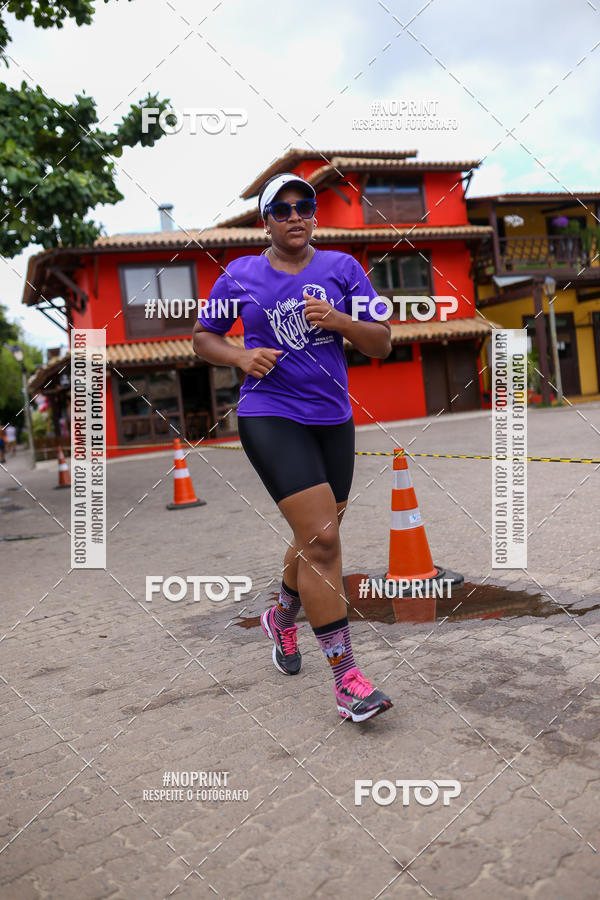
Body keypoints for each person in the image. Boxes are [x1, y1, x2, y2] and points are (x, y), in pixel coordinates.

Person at [192, 172, 393, 722]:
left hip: (333, 418)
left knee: (316, 536)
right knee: (324, 540)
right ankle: (347, 679)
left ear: (314, 215)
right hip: (269, 413)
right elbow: (202, 336)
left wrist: (341, 320)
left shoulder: (344, 270)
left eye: (304, 206)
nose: (295, 215)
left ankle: (281, 616)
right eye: (281, 209)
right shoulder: (239, 275)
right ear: (266, 221)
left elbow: (382, 341)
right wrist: (237, 357)